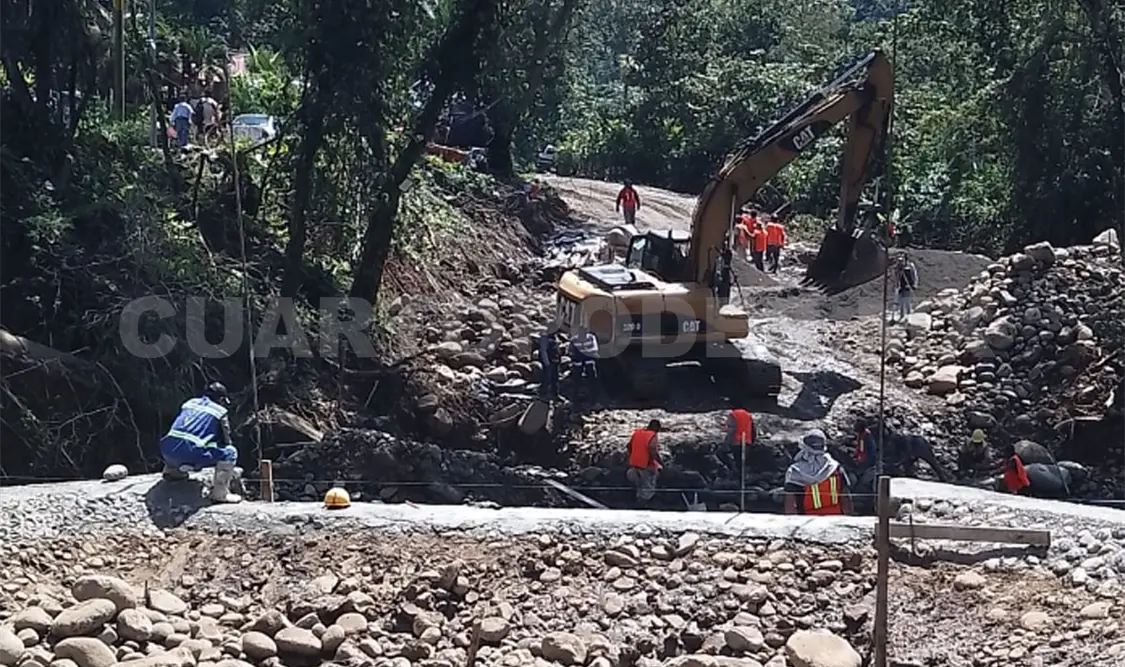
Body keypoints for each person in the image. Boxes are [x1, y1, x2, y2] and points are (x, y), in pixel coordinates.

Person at [159, 382, 242, 503]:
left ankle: (173, 471)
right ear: (221, 399)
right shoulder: (220, 411)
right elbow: (226, 440)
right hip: (191, 453)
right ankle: (220, 493)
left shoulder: (189, 403)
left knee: (179, 440)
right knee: (230, 452)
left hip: (166, 450)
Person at [783, 429, 853, 515]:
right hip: (835, 519)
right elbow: (845, 498)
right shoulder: (835, 468)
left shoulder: (795, 471)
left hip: (806, 523)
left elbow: (790, 504)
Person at [626, 419, 663, 506]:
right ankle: (643, 506)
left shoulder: (637, 433)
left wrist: (633, 455)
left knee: (639, 486)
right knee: (648, 489)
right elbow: (652, 449)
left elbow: (628, 446)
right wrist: (661, 463)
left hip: (634, 465)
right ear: (656, 428)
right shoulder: (652, 435)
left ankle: (635, 503)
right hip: (646, 466)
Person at [718, 403, 756, 472]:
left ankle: (733, 471)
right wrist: (752, 441)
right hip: (747, 442)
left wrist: (726, 443)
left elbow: (732, 429)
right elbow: (753, 429)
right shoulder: (748, 415)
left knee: (721, 453)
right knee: (742, 463)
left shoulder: (733, 414)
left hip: (736, 442)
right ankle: (741, 477)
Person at [537, 326, 561, 399]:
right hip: (548, 362)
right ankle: (543, 394)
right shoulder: (545, 338)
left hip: (555, 361)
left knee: (555, 378)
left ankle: (555, 394)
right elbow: (543, 351)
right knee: (546, 378)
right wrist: (547, 362)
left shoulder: (555, 338)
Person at [894, 255, 919, 322]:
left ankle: (909, 316)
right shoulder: (897, 268)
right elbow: (896, 277)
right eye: (899, 261)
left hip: (908, 286)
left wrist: (914, 284)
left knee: (907, 301)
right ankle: (902, 316)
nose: (900, 262)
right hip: (900, 287)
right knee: (901, 302)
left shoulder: (910, 267)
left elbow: (914, 275)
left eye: (901, 261)